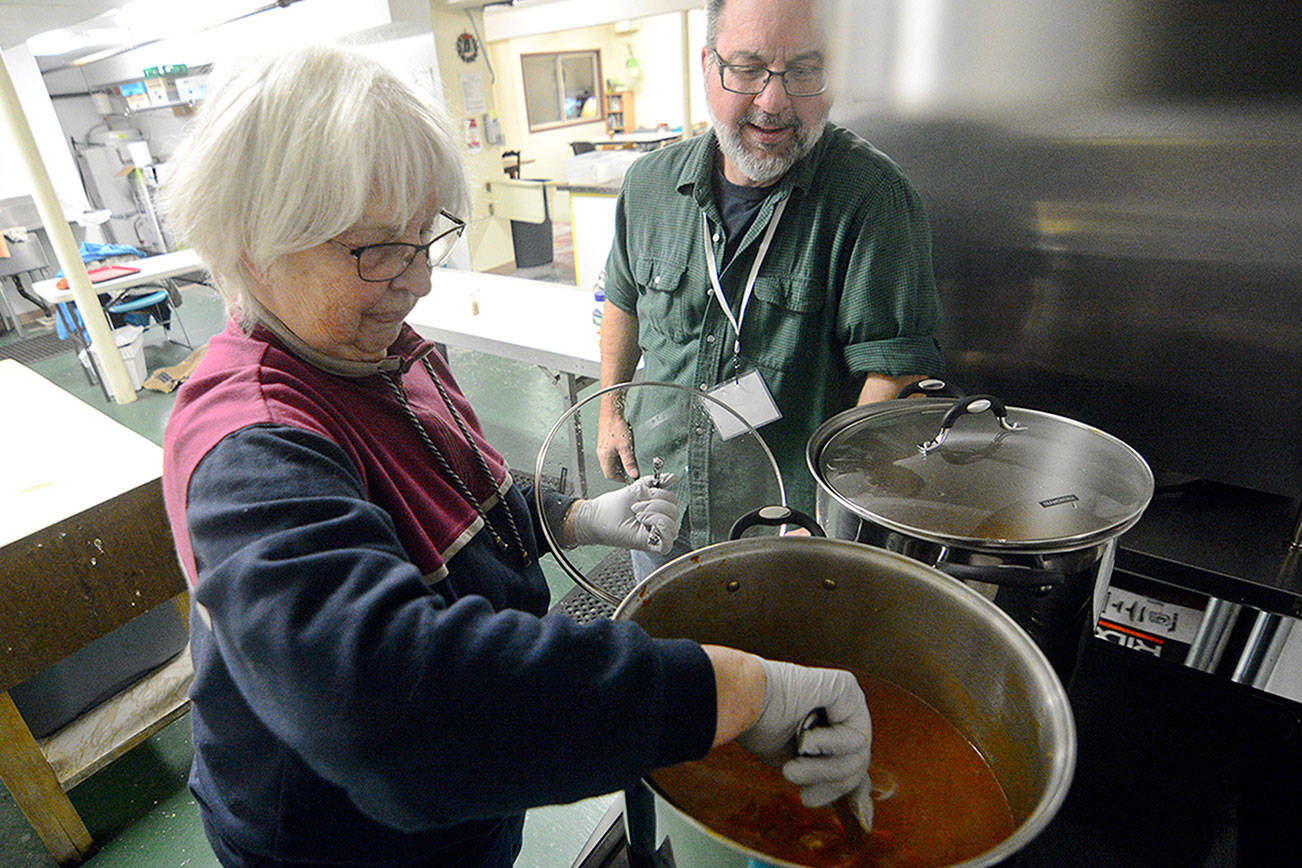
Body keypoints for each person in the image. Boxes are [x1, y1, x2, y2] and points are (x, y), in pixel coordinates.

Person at [159, 44, 871, 867]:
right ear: (254, 244)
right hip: (347, 842)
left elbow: (450, 483)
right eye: (377, 251)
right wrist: (741, 690)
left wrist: (572, 516)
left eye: (425, 236)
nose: (417, 280)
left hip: (466, 808)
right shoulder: (253, 447)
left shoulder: (377, 351)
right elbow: (390, 711)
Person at [597, 0, 944, 571]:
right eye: (748, 67)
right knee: (666, 658)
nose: (775, 101)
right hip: (660, 504)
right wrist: (611, 411)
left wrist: (840, 513)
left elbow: (893, 373)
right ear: (707, 65)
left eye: (804, 69)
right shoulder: (649, 186)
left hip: (785, 529)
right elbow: (623, 300)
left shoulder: (872, 199)